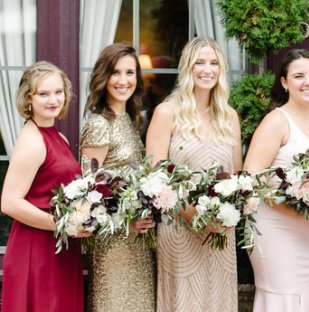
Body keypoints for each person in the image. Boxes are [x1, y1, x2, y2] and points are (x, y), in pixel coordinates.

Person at [145, 36, 242, 311]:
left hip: (220, 233)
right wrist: (191, 213)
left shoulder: (229, 117)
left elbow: (236, 177)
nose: (207, 69)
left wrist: (227, 213)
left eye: (213, 63)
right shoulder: (167, 112)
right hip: (179, 228)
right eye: (199, 62)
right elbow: (154, 178)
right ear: (188, 67)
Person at [244, 49, 309, 312]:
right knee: (284, 295)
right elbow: (252, 176)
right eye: (298, 76)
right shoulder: (277, 121)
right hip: (277, 229)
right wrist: (296, 208)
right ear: (284, 83)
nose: (308, 82)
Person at [0, 61, 86, 311]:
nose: (53, 99)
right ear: (29, 99)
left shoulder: (59, 137)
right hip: (36, 249)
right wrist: (63, 225)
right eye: (43, 93)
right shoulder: (32, 140)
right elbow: (9, 202)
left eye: (58, 92)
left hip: (60, 248)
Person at [79, 43, 156, 312]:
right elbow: (88, 194)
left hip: (138, 243)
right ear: (104, 77)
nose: (124, 81)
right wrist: (126, 223)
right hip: (113, 244)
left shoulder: (131, 119)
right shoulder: (100, 123)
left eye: (130, 73)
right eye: (116, 73)